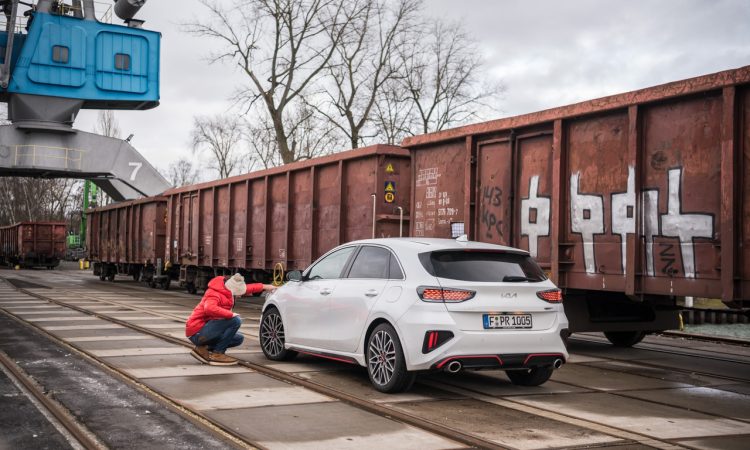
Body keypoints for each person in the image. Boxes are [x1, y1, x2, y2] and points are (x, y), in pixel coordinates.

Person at [186, 273, 275, 366]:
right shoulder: (214, 293)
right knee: (235, 320)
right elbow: (209, 308)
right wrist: (231, 314)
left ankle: (202, 348)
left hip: (206, 330)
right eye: (238, 293)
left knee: (238, 338)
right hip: (197, 332)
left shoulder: (227, 289)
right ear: (231, 289)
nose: (240, 295)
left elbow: (248, 288)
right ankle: (218, 354)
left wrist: (267, 286)